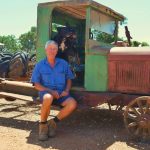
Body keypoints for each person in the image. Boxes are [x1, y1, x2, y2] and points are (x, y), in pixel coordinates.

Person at [31, 40, 77, 141]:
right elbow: (36, 84)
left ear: (57, 51)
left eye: (54, 49)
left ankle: (53, 123)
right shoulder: (40, 65)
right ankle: (43, 126)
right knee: (48, 97)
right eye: (50, 49)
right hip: (46, 92)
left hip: (61, 93)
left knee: (72, 104)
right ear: (46, 50)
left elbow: (69, 79)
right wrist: (51, 91)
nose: (52, 51)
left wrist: (66, 90)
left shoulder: (63, 64)